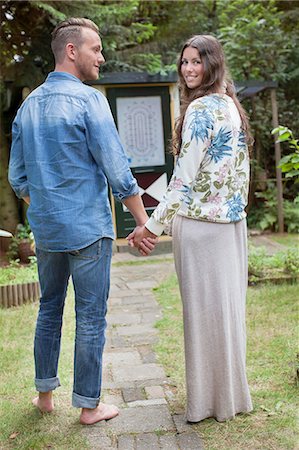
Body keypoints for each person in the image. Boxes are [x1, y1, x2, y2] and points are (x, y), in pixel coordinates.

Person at [8, 17, 155, 425]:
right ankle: (90, 406)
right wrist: (142, 222)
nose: (101, 56)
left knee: (49, 309)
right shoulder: (90, 101)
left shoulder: (28, 104)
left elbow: (18, 177)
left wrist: (47, 206)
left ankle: (44, 395)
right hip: (89, 229)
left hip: (48, 230)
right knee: (90, 317)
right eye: (96, 48)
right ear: (72, 51)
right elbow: (117, 169)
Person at [128, 35, 253, 422]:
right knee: (228, 313)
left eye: (196, 61)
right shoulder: (231, 106)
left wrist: (148, 228)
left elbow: (181, 181)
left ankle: (206, 404)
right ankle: (231, 399)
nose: (188, 69)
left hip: (201, 227)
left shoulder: (200, 111)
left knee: (204, 316)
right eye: (184, 62)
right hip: (231, 225)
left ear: (212, 63)